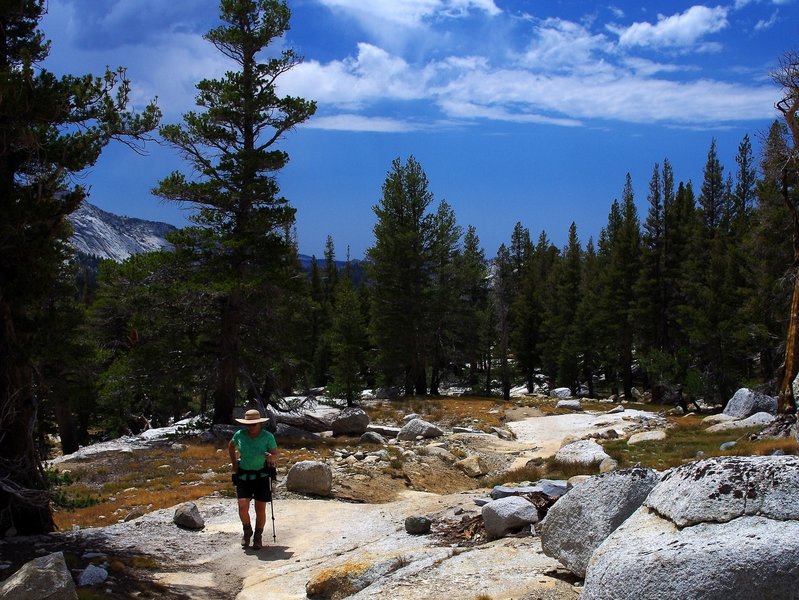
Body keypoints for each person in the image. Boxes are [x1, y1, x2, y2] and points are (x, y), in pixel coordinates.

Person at [228, 409, 278, 550]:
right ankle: (247, 530)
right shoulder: (240, 435)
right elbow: (231, 445)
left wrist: (271, 457)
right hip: (244, 475)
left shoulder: (268, 436)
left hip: (261, 476)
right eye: (248, 425)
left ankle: (258, 536)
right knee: (242, 506)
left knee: (260, 508)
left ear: (259, 424)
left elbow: (275, 454)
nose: (251, 427)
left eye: (254, 424)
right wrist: (234, 464)